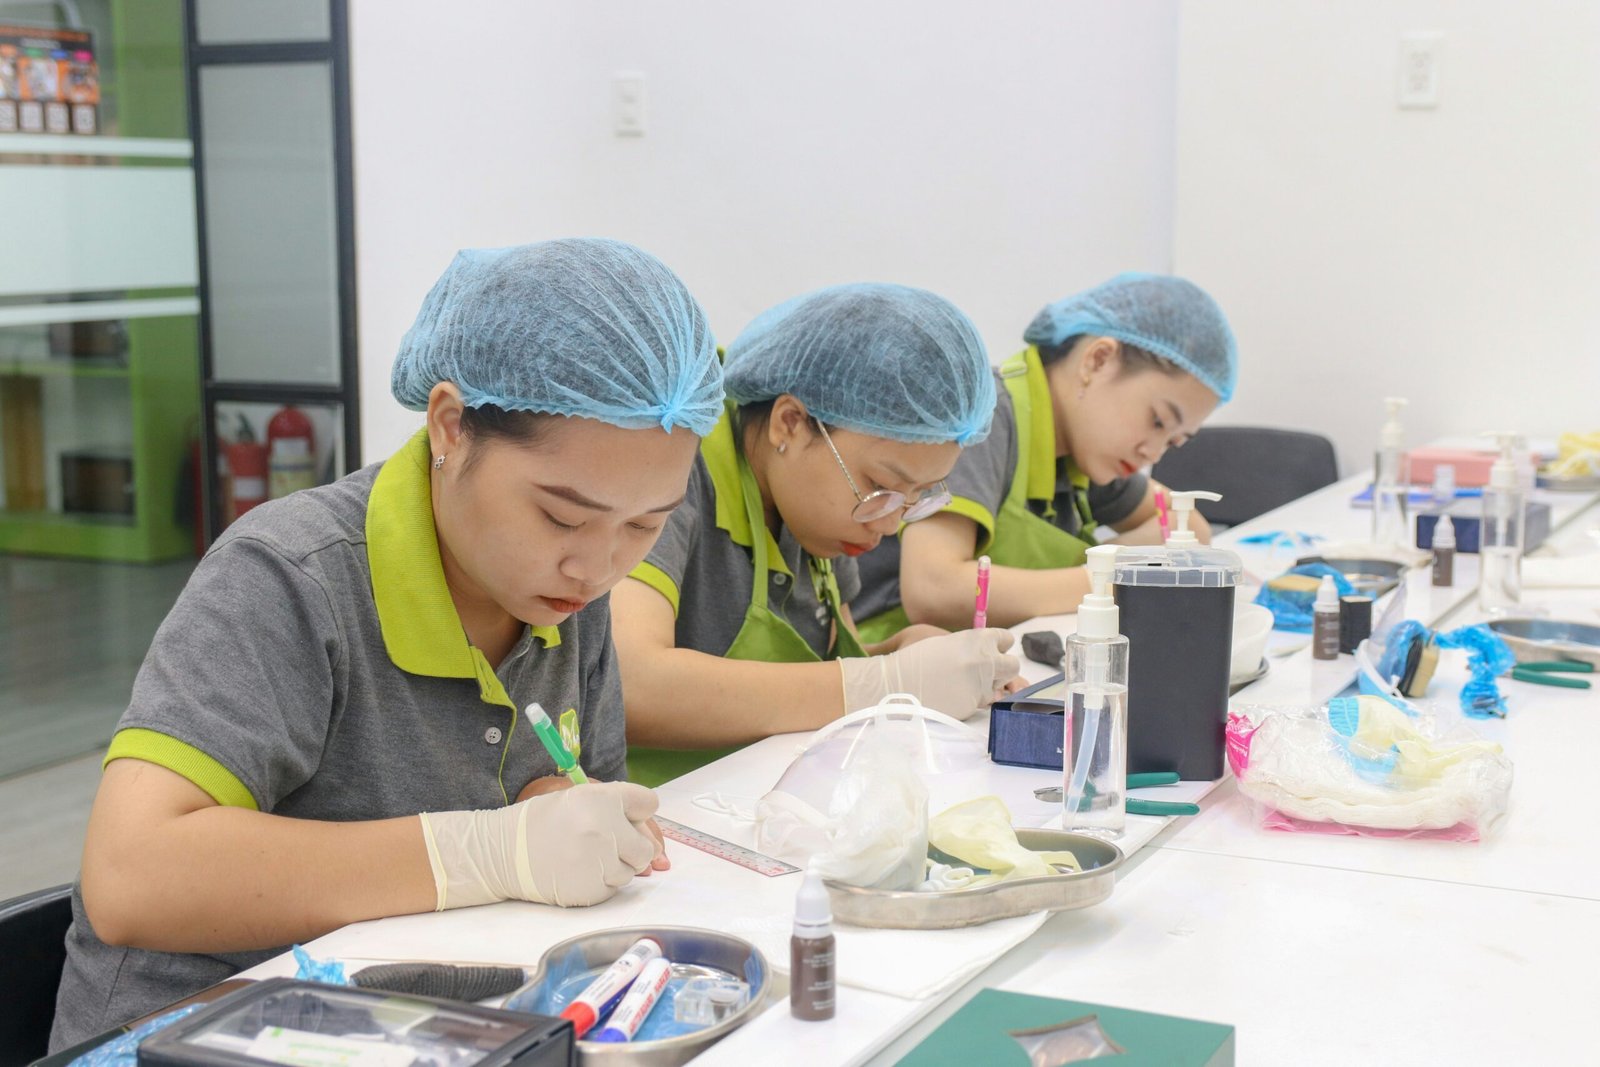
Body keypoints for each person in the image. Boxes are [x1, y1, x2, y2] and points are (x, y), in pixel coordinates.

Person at [49, 239, 726, 1047]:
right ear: (449, 426)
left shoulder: (561, 593)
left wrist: (560, 813)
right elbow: (134, 875)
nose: (599, 563)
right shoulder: (292, 579)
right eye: (562, 515)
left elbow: (563, 792)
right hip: (196, 1031)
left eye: (646, 524)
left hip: (415, 1022)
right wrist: (486, 850)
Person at [612, 283, 1022, 786]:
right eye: (881, 487)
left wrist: (902, 656)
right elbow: (630, 683)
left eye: (914, 498)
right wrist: (887, 683)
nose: (888, 524)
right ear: (790, 423)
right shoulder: (676, 464)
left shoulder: (816, 513)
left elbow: (822, 674)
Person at [853, 273, 1238, 637]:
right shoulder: (984, 418)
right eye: (1156, 421)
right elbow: (934, 589)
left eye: (1174, 441)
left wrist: (1118, 567)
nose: (1152, 452)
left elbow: (1189, 526)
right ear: (1098, 360)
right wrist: (1109, 576)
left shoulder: (1083, 454)